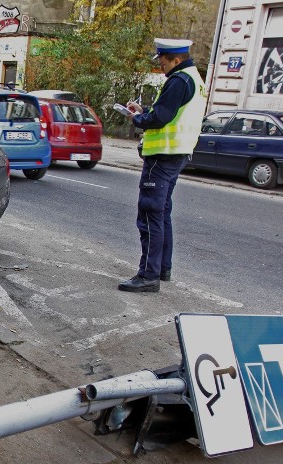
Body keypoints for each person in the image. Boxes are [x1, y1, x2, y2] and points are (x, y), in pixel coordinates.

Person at [119, 38, 206, 293]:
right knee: (162, 213)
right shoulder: (194, 79)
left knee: (149, 215)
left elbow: (160, 119)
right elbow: (172, 114)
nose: (161, 67)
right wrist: (144, 110)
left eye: (163, 62)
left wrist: (137, 118)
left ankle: (148, 275)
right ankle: (162, 268)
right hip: (177, 154)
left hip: (162, 156)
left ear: (175, 60)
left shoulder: (179, 80)